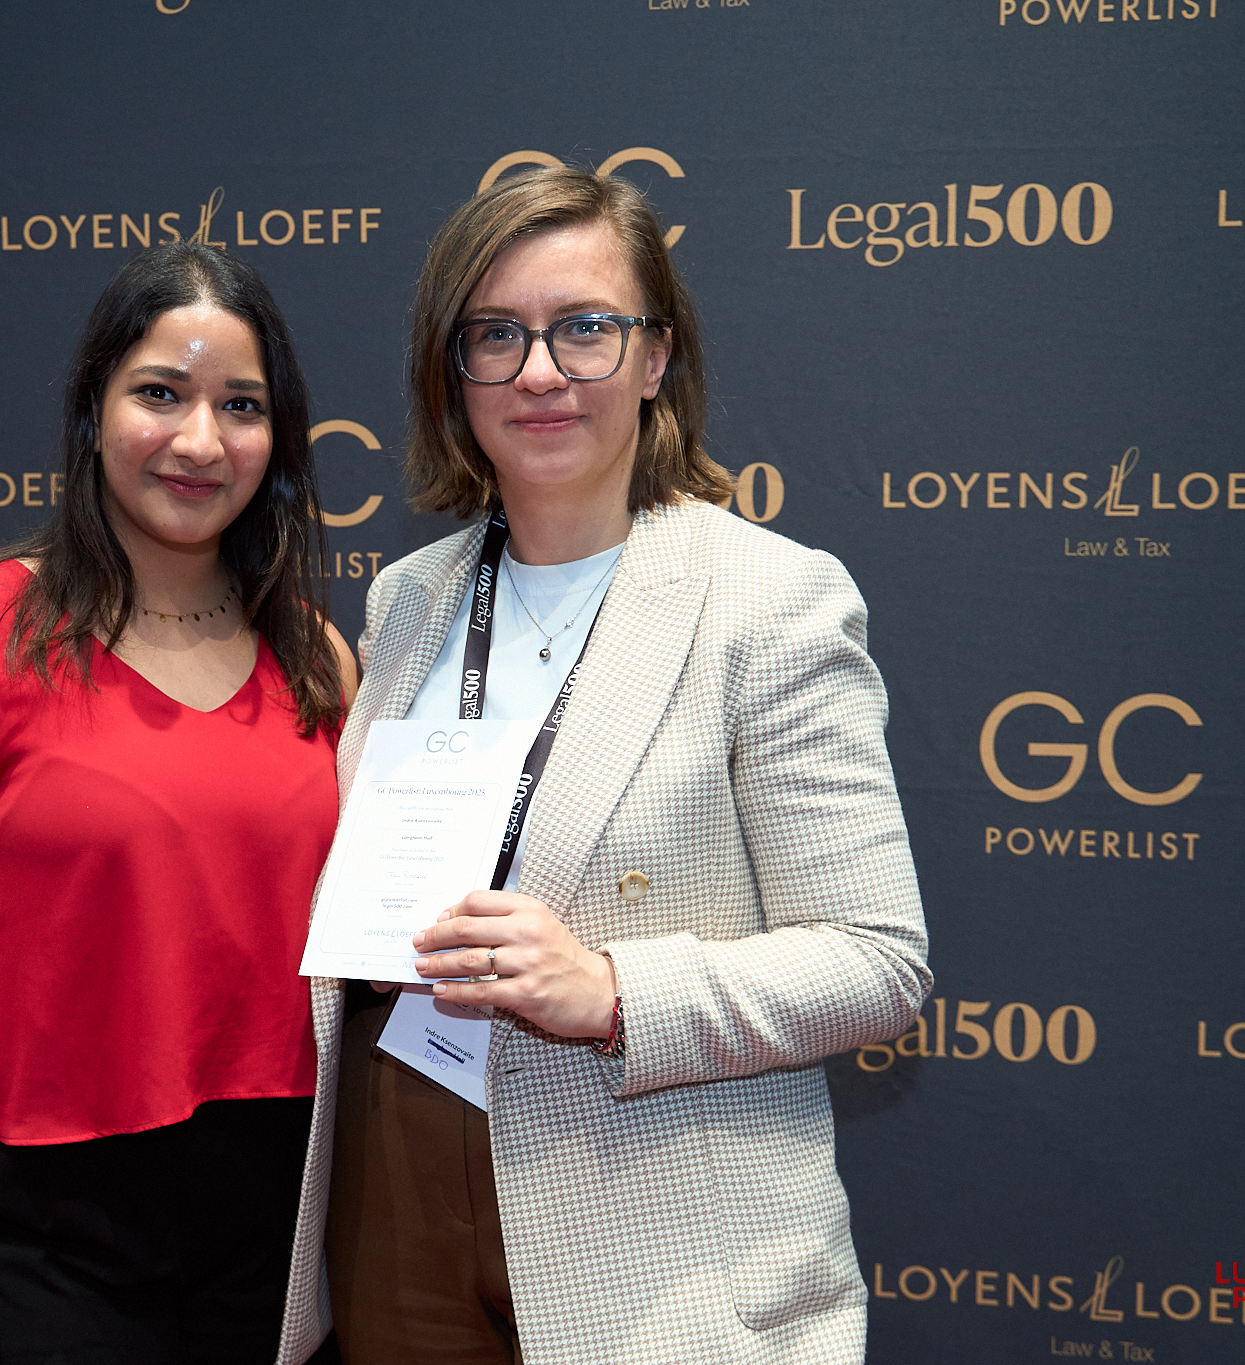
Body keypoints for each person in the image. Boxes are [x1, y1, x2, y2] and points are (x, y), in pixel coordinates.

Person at [299, 167, 931, 1364]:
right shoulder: (409, 602)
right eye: (495, 335)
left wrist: (613, 990)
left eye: (583, 328)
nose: (539, 372)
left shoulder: (770, 601)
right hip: (397, 1186)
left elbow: (876, 961)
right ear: (452, 374)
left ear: (655, 356)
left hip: (654, 1222)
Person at [0, 242, 356, 1365]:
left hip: (274, 1232)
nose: (200, 440)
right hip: (37, 1238)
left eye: (241, 405)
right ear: (92, 412)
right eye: (159, 393)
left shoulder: (316, 658)